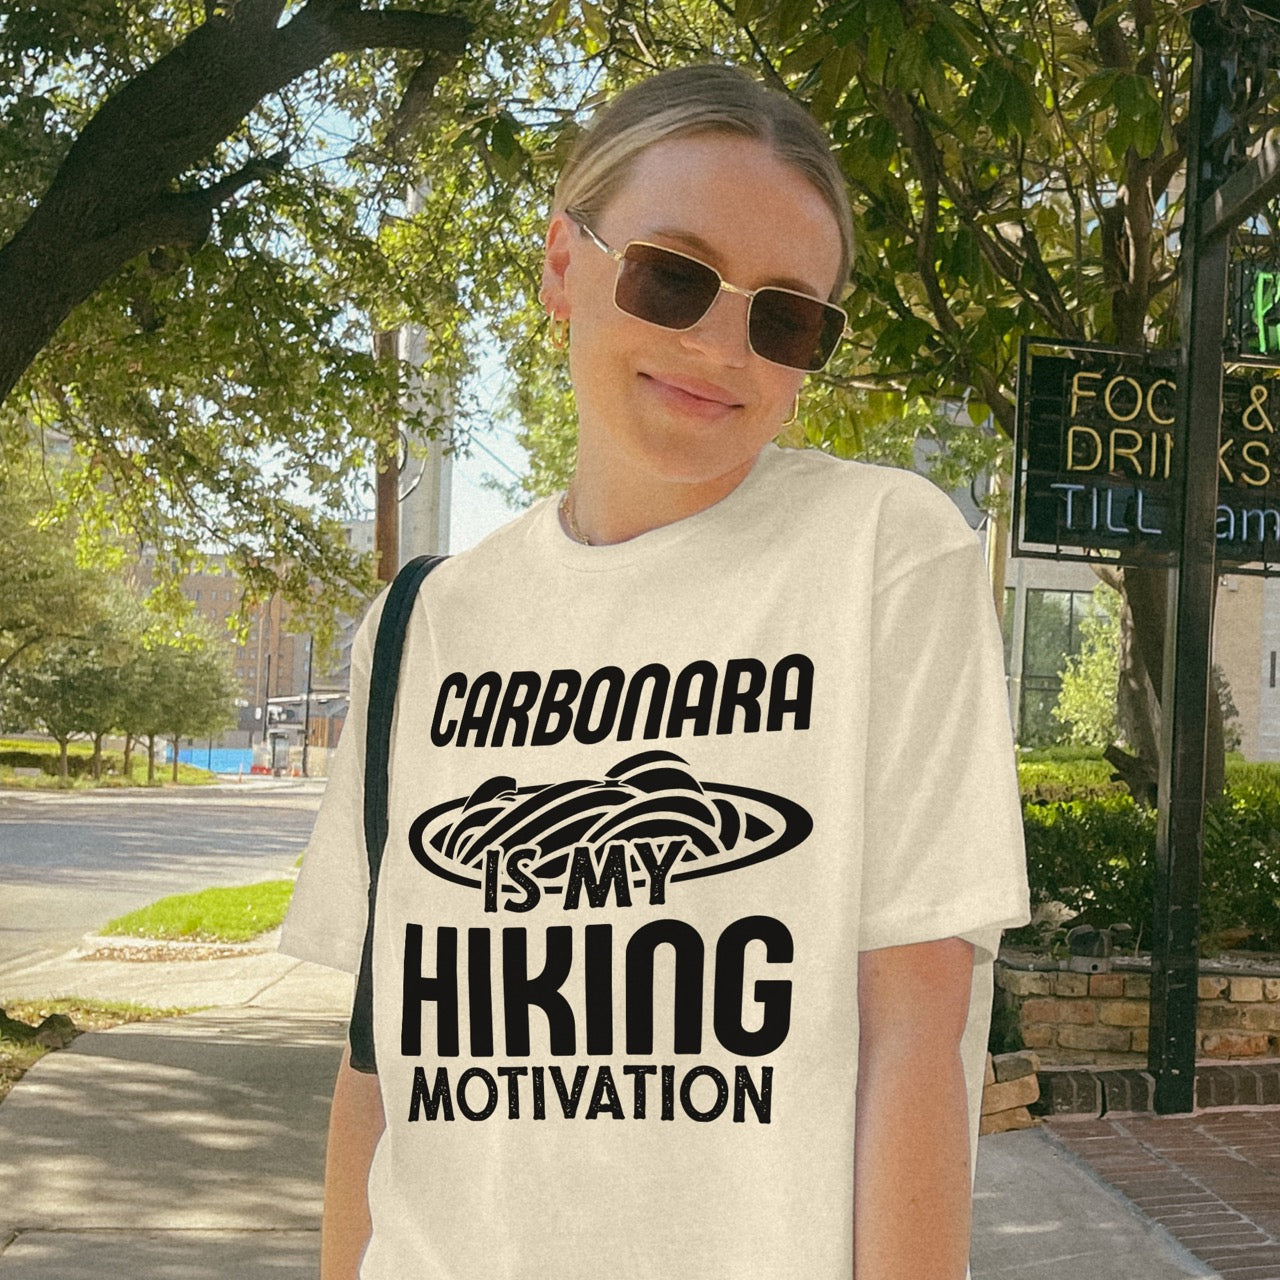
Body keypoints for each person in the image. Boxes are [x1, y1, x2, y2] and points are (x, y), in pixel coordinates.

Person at [279, 62, 1031, 1280]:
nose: (718, 343)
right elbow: (379, 1063)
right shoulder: (418, 626)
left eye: (783, 315)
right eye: (672, 274)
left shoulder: (885, 556)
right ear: (563, 266)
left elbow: (915, 1038)